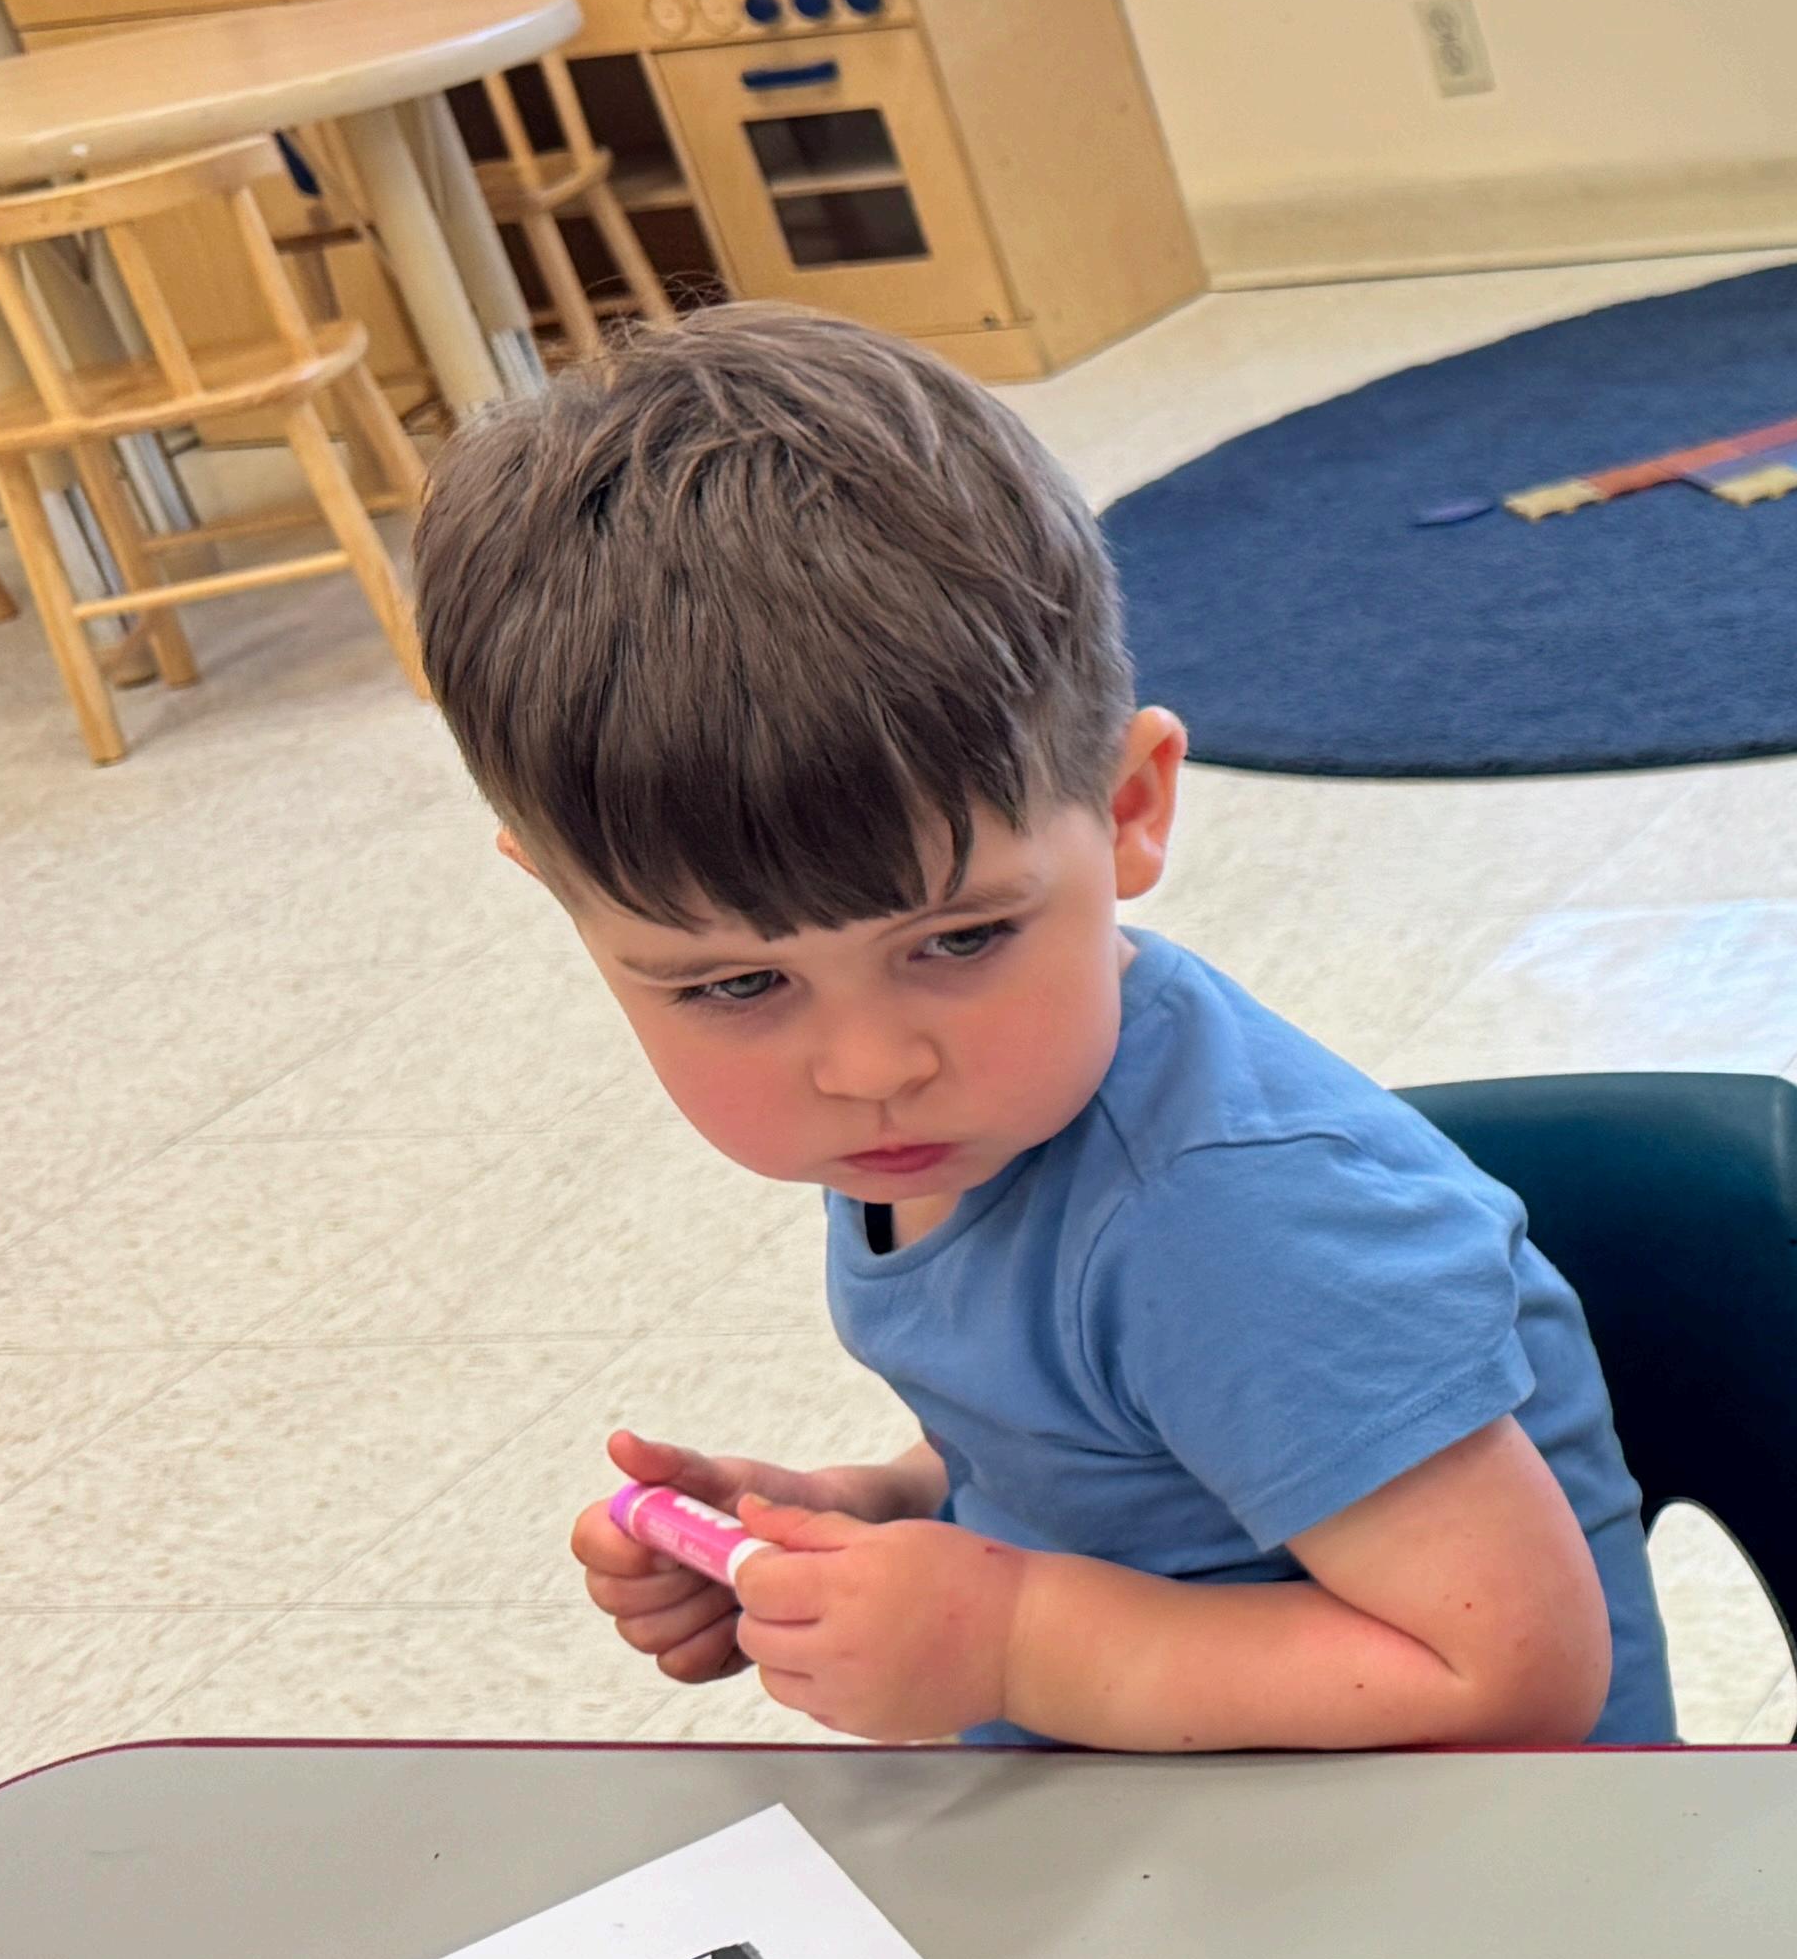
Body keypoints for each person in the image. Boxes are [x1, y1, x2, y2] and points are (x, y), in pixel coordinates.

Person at [415, 305, 1669, 1750]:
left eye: (957, 940)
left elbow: (1512, 1678)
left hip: (1472, 1858)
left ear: (1129, 808)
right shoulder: (970, 1114)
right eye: (736, 987)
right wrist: (875, 1519)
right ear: (559, 898)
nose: (872, 1067)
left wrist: (1009, 1640)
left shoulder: (1225, 1223)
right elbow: (1098, 1444)